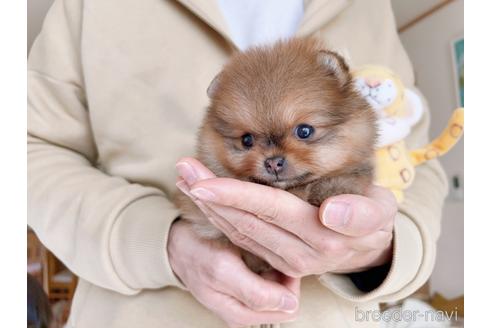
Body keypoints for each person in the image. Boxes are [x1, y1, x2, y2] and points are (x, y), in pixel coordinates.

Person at [27, 0, 447, 327]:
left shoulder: (368, 5)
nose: (274, 159)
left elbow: (416, 155)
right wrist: (160, 242)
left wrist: (386, 247)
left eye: (303, 133)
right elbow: (28, 148)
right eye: (247, 141)